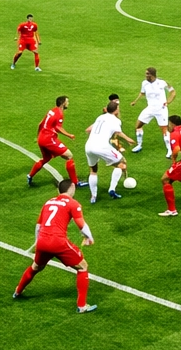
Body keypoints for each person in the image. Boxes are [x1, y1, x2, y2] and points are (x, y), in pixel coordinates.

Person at [13, 179, 97, 313]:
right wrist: (89, 237)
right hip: (58, 242)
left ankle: (18, 291)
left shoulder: (48, 202)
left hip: (42, 241)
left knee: (36, 266)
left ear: (59, 190)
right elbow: (81, 224)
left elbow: (38, 225)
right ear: (72, 187)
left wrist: (37, 241)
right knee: (83, 267)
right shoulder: (73, 203)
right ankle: (82, 306)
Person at [83, 98, 134, 202]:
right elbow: (119, 133)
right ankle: (112, 189)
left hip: (89, 146)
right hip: (102, 147)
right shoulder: (116, 120)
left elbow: (88, 129)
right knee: (122, 163)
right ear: (116, 110)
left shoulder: (100, 117)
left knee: (93, 170)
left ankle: (93, 196)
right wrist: (129, 139)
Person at [29, 96, 79, 188]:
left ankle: (30, 176)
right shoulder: (59, 113)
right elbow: (57, 127)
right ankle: (75, 182)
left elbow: (40, 123)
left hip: (42, 138)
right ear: (63, 103)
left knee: (46, 158)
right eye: (67, 102)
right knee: (69, 156)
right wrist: (69, 135)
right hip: (49, 139)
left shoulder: (51, 111)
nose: (68, 103)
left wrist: (38, 137)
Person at [128, 67, 176, 157]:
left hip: (161, 110)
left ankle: (170, 150)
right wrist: (135, 101)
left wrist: (168, 101)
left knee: (164, 131)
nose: (145, 75)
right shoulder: (144, 83)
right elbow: (142, 93)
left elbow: (173, 92)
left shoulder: (162, 83)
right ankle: (139, 145)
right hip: (150, 109)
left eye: (147, 74)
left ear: (152, 74)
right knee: (138, 126)